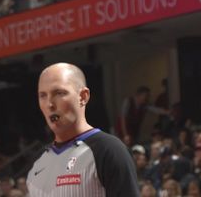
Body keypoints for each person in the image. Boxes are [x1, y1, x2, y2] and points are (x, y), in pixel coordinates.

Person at [27, 62, 139, 196]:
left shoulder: (110, 150)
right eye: (43, 95)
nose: (49, 104)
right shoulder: (38, 160)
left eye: (59, 93)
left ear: (83, 96)